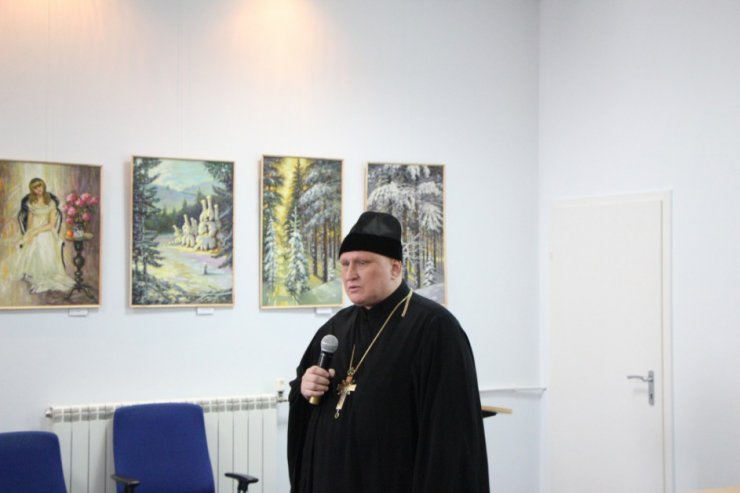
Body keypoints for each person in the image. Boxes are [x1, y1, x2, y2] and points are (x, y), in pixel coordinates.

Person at [288, 211, 489, 493]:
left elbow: (450, 441)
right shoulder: (335, 328)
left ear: (395, 268)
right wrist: (304, 387)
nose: (350, 274)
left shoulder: (434, 329)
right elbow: (304, 400)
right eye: (345, 264)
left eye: (362, 263)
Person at [11, 177, 74, 293]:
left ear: (43, 186)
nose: (38, 189)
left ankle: (45, 273)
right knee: (32, 241)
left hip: (47, 230)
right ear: (32, 190)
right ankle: (34, 272)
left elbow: (51, 224)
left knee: (41, 240)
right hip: (34, 230)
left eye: (40, 186)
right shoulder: (31, 202)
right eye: (35, 188)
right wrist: (29, 234)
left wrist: (36, 232)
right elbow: (29, 224)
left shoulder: (51, 202)